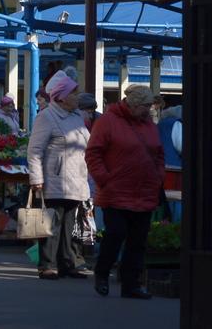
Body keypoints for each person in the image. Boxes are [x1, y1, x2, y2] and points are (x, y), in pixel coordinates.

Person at [85, 84, 164, 300]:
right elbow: (93, 153)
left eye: (150, 106)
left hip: (144, 190)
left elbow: (158, 153)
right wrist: (104, 179)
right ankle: (102, 273)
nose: (149, 110)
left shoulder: (149, 124)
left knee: (138, 241)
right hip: (116, 191)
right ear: (133, 105)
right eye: (145, 106)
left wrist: (158, 176)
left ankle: (131, 284)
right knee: (115, 234)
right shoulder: (108, 121)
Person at [27, 70, 91, 280]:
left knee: (70, 225)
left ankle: (67, 263)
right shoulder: (46, 116)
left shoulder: (77, 116)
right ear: (62, 97)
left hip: (77, 178)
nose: (78, 96)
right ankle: (47, 265)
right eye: (74, 93)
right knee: (51, 224)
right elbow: (35, 150)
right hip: (55, 179)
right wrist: (36, 178)